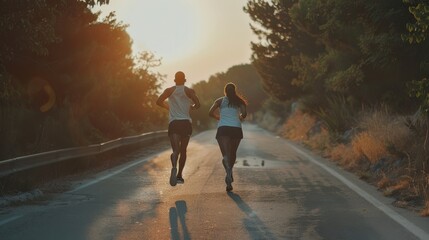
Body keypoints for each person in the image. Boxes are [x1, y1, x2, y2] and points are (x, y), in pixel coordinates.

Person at [156, 71, 200, 186]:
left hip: (174, 123)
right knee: (183, 150)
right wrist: (191, 107)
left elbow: (158, 101)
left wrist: (169, 107)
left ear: (175, 80)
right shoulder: (189, 91)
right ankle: (179, 175)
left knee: (175, 150)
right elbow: (198, 104)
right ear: (184, 79)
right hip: (185, 123)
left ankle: (174, 166)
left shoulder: (169, 90)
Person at [208, 82, 247, 192]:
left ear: (225, 91)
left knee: (226, 154)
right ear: (234, 90)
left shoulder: (220, 101)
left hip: (223, 128)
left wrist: (218, 117)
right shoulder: (239, 101)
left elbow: (210, 112)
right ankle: (230, 172)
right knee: (233, 153)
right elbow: (244, 114)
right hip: (236, 128)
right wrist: (239, 116)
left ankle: (228, 171)